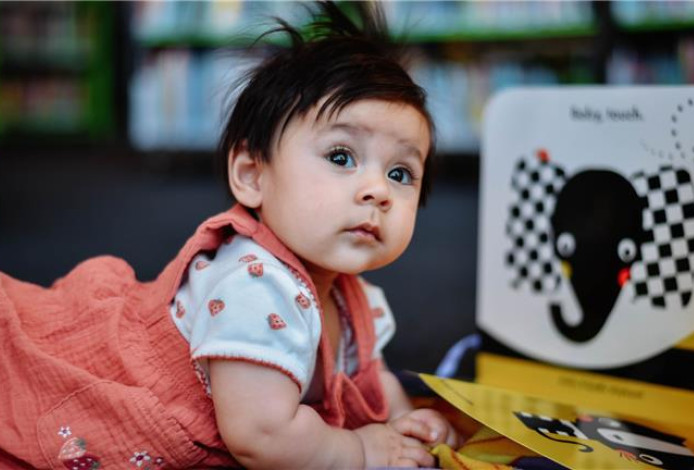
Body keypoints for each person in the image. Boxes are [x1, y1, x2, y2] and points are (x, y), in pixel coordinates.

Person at [0, 2, 458, 468]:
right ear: (252, 176)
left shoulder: (351, 294)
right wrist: (360, 450)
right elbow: (260, 435)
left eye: (401, 173)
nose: (378, 191)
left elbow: (367, 374)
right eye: (342, 157)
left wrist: (406, 417)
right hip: (136, 391)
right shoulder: (255, 288)